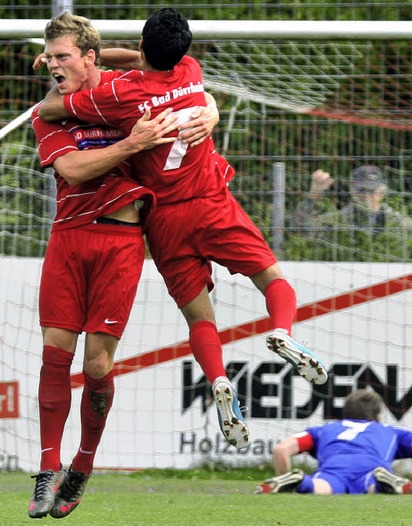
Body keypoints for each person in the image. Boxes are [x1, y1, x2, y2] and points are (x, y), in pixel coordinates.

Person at [38, 8, 328, 453]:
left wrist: (68, 72)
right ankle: (284, 332)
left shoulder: (121, 94)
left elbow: (54, 107)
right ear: (183, 51)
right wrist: (207, 108)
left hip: (165, 221)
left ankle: (217, 379)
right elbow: (142, 63)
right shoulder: (192, 72)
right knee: (271, 277)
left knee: (199, 317)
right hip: (212, 201)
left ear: (140, 47)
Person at [27, 12, 216, 520]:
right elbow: (72, 168)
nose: (53, 66)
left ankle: (83, 466)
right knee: (53, 355)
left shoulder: (123, 91)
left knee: (96, 367)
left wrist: (211, 109)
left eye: (62, 56)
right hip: (68, 237)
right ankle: (48, 468)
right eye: (49, 57)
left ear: (89, 57)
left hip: (122, 241)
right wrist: (132, 144)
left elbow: (162, 69)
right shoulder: (49, 113)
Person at [254, 389, 412, 496]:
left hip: (333, 470)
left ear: (345, 413)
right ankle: (382, 483)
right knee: (371, 486)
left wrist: (286, 498)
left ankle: (299, 481)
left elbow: (281, 449)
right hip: (371, 470)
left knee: (320, 487)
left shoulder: (324, 430)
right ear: (378, 416)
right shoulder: (390, 431)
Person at [293, 165, 412, 238]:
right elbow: (301, 230)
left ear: (382, 192)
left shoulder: (400, 223)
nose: (365, 196)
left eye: (370, 190)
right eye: (361, 190)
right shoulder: (338, 221)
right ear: (352, 191)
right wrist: (315, 195)